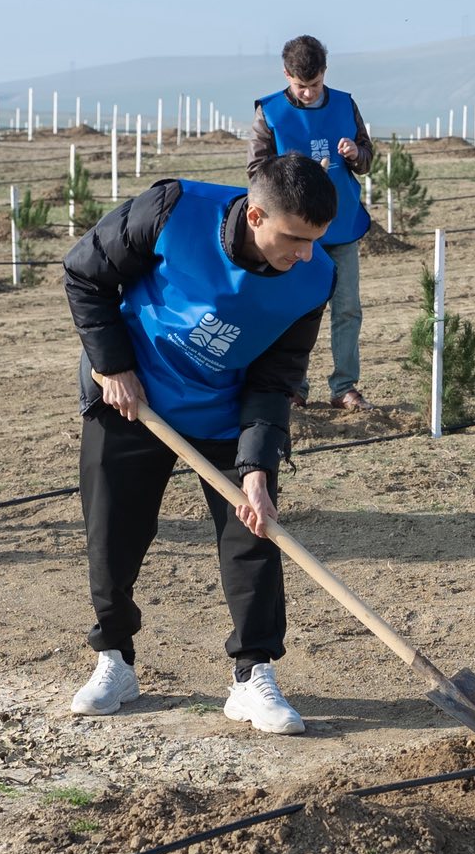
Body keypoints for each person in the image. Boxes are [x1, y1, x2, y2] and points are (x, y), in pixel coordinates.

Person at [64, 153, 339, 732]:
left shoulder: (314, 279)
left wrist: (257, 467)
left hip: (226, 412)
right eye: (295, 238)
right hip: (133, 396)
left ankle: (252, 674)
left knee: (254, 532)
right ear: (256, 216)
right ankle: (114, 659)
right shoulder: (174, 211)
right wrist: (112, 366)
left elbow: (276, 377)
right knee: (113, 531)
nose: (306, 254)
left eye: (316, 240)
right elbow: (86, 273)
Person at [248, 35, 374, 409]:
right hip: (293, 234)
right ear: (286, 75)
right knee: (294, 311)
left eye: (315, 84)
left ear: (325, 72)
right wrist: (296, 172)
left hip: (342, 226)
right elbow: (256, 173)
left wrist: (356, 154)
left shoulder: (346, 105)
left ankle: (344, 387)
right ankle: (293, 388)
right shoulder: (269, 113)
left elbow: (368, 159)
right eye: (301, 86)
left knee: (347, 309)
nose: (308, 93)